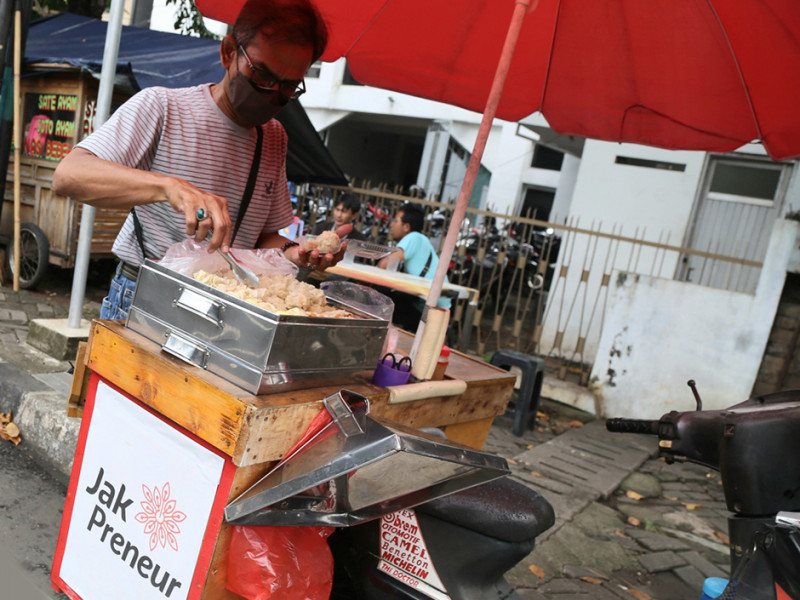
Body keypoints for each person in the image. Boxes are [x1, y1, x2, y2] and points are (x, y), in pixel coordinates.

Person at [52, 0, 347, 320]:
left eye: (288, 86)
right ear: (229, 53)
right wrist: (170, 187)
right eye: (262, 75)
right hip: (146, 297)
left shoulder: (273, 137)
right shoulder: (163, 107)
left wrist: (295, 253)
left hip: (225, 309)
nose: (272, 92)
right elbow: (69, 175)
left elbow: (260, 238)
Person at [377, 203, 451, 331]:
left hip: (429, 310)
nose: (391, 224)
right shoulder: (421, 239)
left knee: (379, 295)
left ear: (406, 227)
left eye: (396, 221)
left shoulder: (413, 237)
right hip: (435, 306)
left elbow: (383, 265)